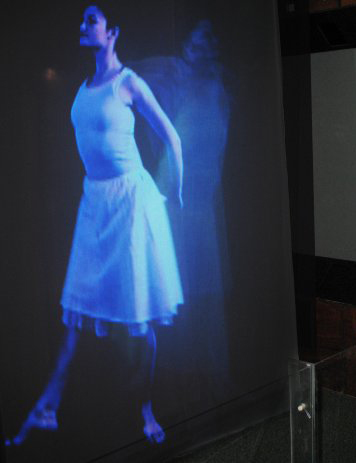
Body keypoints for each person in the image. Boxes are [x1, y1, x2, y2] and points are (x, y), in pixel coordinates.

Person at [11, 3, 183, 445]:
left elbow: (171, 138)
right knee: (77, 309)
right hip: (96, 204)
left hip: (131, 203)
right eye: (82, 19)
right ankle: (48, 406)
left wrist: (174, 191)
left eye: (93, 19)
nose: (83, 26)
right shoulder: (85, 87)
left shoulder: (130, 83)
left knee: (141, 318)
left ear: (113, 32)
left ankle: (146, 409)